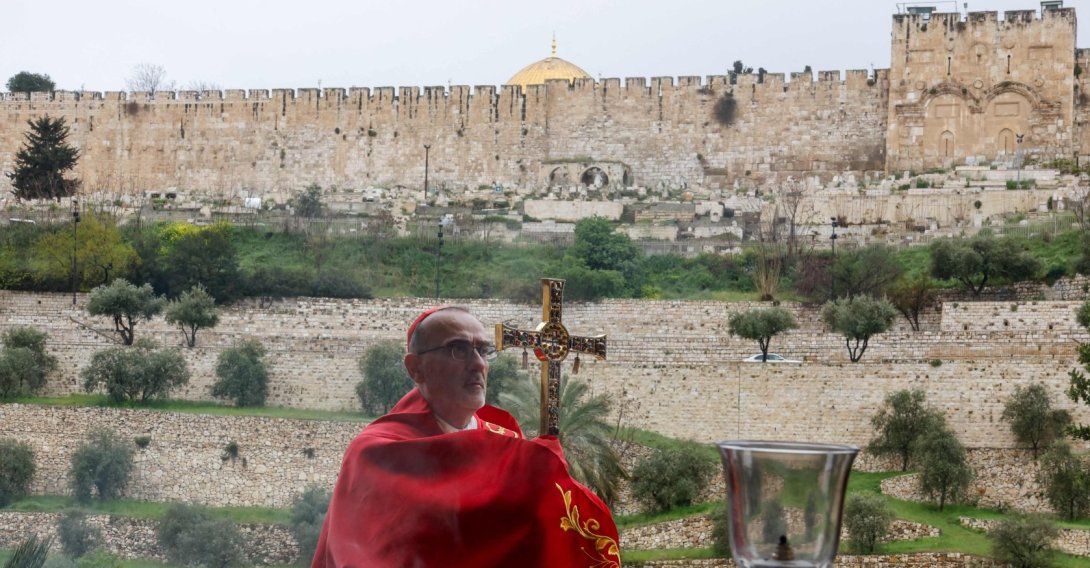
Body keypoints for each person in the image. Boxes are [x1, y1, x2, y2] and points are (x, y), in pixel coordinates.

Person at [312, 306, 620, 567]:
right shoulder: (376, 453)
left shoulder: (507, 438)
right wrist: (536, 470)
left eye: (483, 350)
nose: (478, 364)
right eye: (458, 349)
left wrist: (546, 480)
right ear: (416, 368)